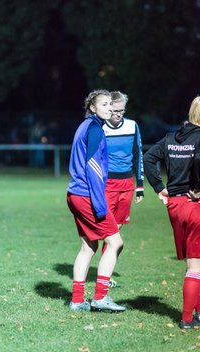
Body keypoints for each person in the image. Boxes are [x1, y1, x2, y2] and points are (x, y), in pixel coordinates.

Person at [143, 96, 200, 329]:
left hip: (175, 205)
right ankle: (187, 319)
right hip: (196, 204)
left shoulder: (170, 138)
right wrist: (196, 188)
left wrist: (159, 188)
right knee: (194, 266)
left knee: (196, 259)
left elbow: (148, 158)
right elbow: (199, 159)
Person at [67, 89, 126, 312]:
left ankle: (77, 300)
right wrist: (99, 203)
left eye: (111, 104)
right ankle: (101, 297)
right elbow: (92, 167)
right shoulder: (93, 129)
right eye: (104, 104)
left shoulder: (86, 126)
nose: (109, 108)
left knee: (88, 247)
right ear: (92, 107)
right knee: (115, 243)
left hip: (75, 193)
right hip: (86, 195)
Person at [102, 91, 144, 287]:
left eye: (122, 110)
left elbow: (138, 155)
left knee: (116, 229)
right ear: (108, 109)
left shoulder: (132, 126)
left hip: (127, 185)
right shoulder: (100, 128)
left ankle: (105, 273)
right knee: (110, 231)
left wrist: (140, 185)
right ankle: (105, 276)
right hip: (107, 185)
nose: (119, 114)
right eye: (115, 110)